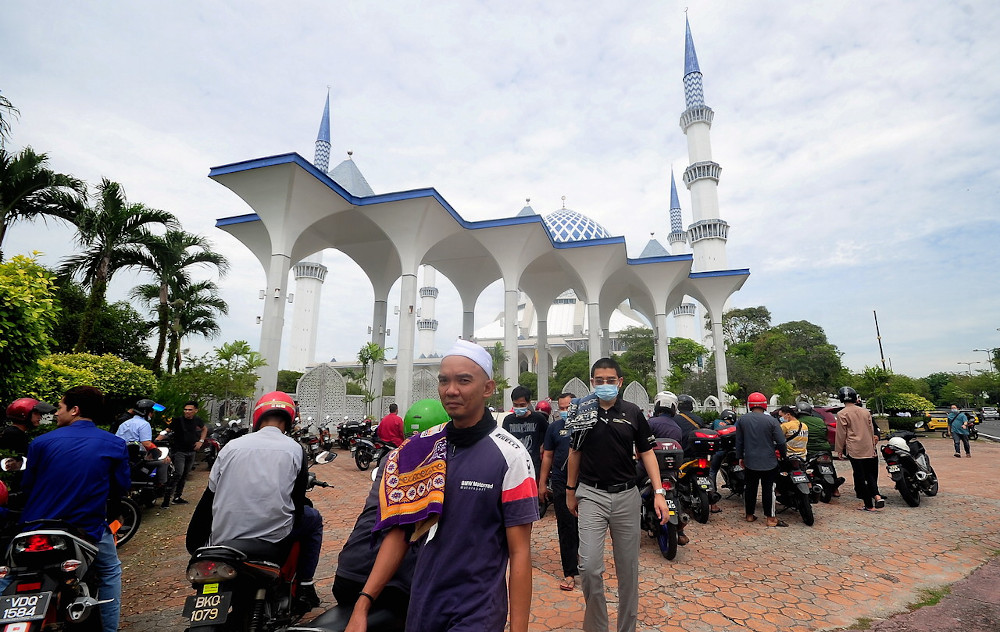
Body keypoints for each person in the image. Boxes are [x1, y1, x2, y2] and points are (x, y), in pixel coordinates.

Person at [345, 339, 538, 632]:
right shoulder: (419, 449)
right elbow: (400, 533)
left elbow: (520, 552)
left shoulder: (511, 456)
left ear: (488, 388)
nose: (451, 390)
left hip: (477, 611)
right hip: (421, 605)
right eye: (444, 381)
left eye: (463, 381)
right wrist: (363, 604)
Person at [186, 391, 324, 614]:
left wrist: (196, 539)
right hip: (273, 538)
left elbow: (210, 495)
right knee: (313, 518)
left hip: (223, 537)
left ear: (257, 415)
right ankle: (306, 583)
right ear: (290, 418)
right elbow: (297, 501)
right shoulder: (294, 449)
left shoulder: (231, 447)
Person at [13, 386, 130, 632]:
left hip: (34, 528)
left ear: (74, 410)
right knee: (110, 571)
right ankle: (110, 629)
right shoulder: (114, 444)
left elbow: (27, 486)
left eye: (60, 406)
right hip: (86, 529)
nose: (56, 412)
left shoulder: (40, 443)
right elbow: (120, 488)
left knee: (13, 575)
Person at [565, 357, 668, 632]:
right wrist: (569, 491)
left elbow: (646, 452)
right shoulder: (582, 410)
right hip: (591, 495)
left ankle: (626, 628)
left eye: (611, 381)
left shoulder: (633, 412)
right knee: (588, 567)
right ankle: (597, 627)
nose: (605, 385)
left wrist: (658, 493)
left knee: (628, 571)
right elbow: (574, 452)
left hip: (626, 496)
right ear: (592, 383)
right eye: (599, 381)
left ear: (620, 382)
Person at [333, 460, 420, 620]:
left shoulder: (392, 456)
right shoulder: (447, 456)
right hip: (393, 586)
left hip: (348, 571)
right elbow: (401, 532)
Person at [538, 392, 579, 592]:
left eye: (568, 407)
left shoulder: (585, 427)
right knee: (566, 528)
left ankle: (584, 562)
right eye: (561, 408)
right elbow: (547, 456)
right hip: (561, 483)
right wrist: (542, 483)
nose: (565, 411)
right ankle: (569, 572)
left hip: (585, 484)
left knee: (584, 527)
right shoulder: (554, 429)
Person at [735, 392, 787, 527]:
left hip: (750, 460)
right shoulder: (772, 421)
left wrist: (740, 457)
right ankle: (770, 519)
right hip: (769, 461)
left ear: (749, 405)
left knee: (750, 488)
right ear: (765, 405)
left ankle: (750, 515)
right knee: (768, 489)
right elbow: (781, 442)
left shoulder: (742, 420)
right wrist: (783, 455)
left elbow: (739, 441)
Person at [834, 386, 884, 511]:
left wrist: (839, 449)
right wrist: (872, 445)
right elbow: (871, 429)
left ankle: (869, 505)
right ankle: (877, 496)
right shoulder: (865, 412)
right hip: (868, 446)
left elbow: (841, 434)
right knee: (870, 473)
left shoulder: (842, 414)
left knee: (860, 475)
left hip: (854, 448)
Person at [115, 398, 171, 487]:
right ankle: (161, 485)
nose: (152, 415)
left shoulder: (125, 423)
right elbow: (146, 443)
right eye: (151, 412)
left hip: (122, 459)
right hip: (137, 460)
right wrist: (157, 451)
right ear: (146, 412)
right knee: (164, 462)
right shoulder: (144, 424)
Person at [162, 400, 207, 507]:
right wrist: (157, 440)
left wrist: (201, 441)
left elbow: (204, 429)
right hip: (179, 451)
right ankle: (166, 498)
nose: (187, 412)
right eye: (185, 409)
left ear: (196, 410)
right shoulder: (178, 420)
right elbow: (167, 430)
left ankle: (177, 496)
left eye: (190, 410)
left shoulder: (197, 420)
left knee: (184, 474)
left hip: (191, 451)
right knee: (178, 473)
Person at [502, 385, 549, 479]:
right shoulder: (508, 420)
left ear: (528, 403)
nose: (519, 408)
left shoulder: (538, 419)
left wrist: (542, 447)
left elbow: (548, 435)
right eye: (516, 405)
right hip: (514, 466)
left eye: (522, 405)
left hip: (533, 465)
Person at [1, 398, 55, 466]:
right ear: (24, 414)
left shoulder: (17, 432)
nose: (39, 417)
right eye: (36, 414)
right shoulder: (13, 434)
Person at [708, 408, 737, 513]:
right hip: (734, 451)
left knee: (712, 472)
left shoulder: (716, 422)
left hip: (718, 451)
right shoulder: (737, 424)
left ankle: (713, 501)